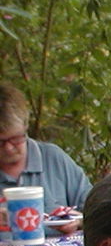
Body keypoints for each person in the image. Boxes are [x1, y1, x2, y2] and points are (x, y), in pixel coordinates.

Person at [0, 84, 91, 222]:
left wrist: (78, 221)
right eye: (0, 142)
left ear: (26, 126)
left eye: (16, 139)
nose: (8, 148)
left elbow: (96, 212)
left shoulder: (53, 158)